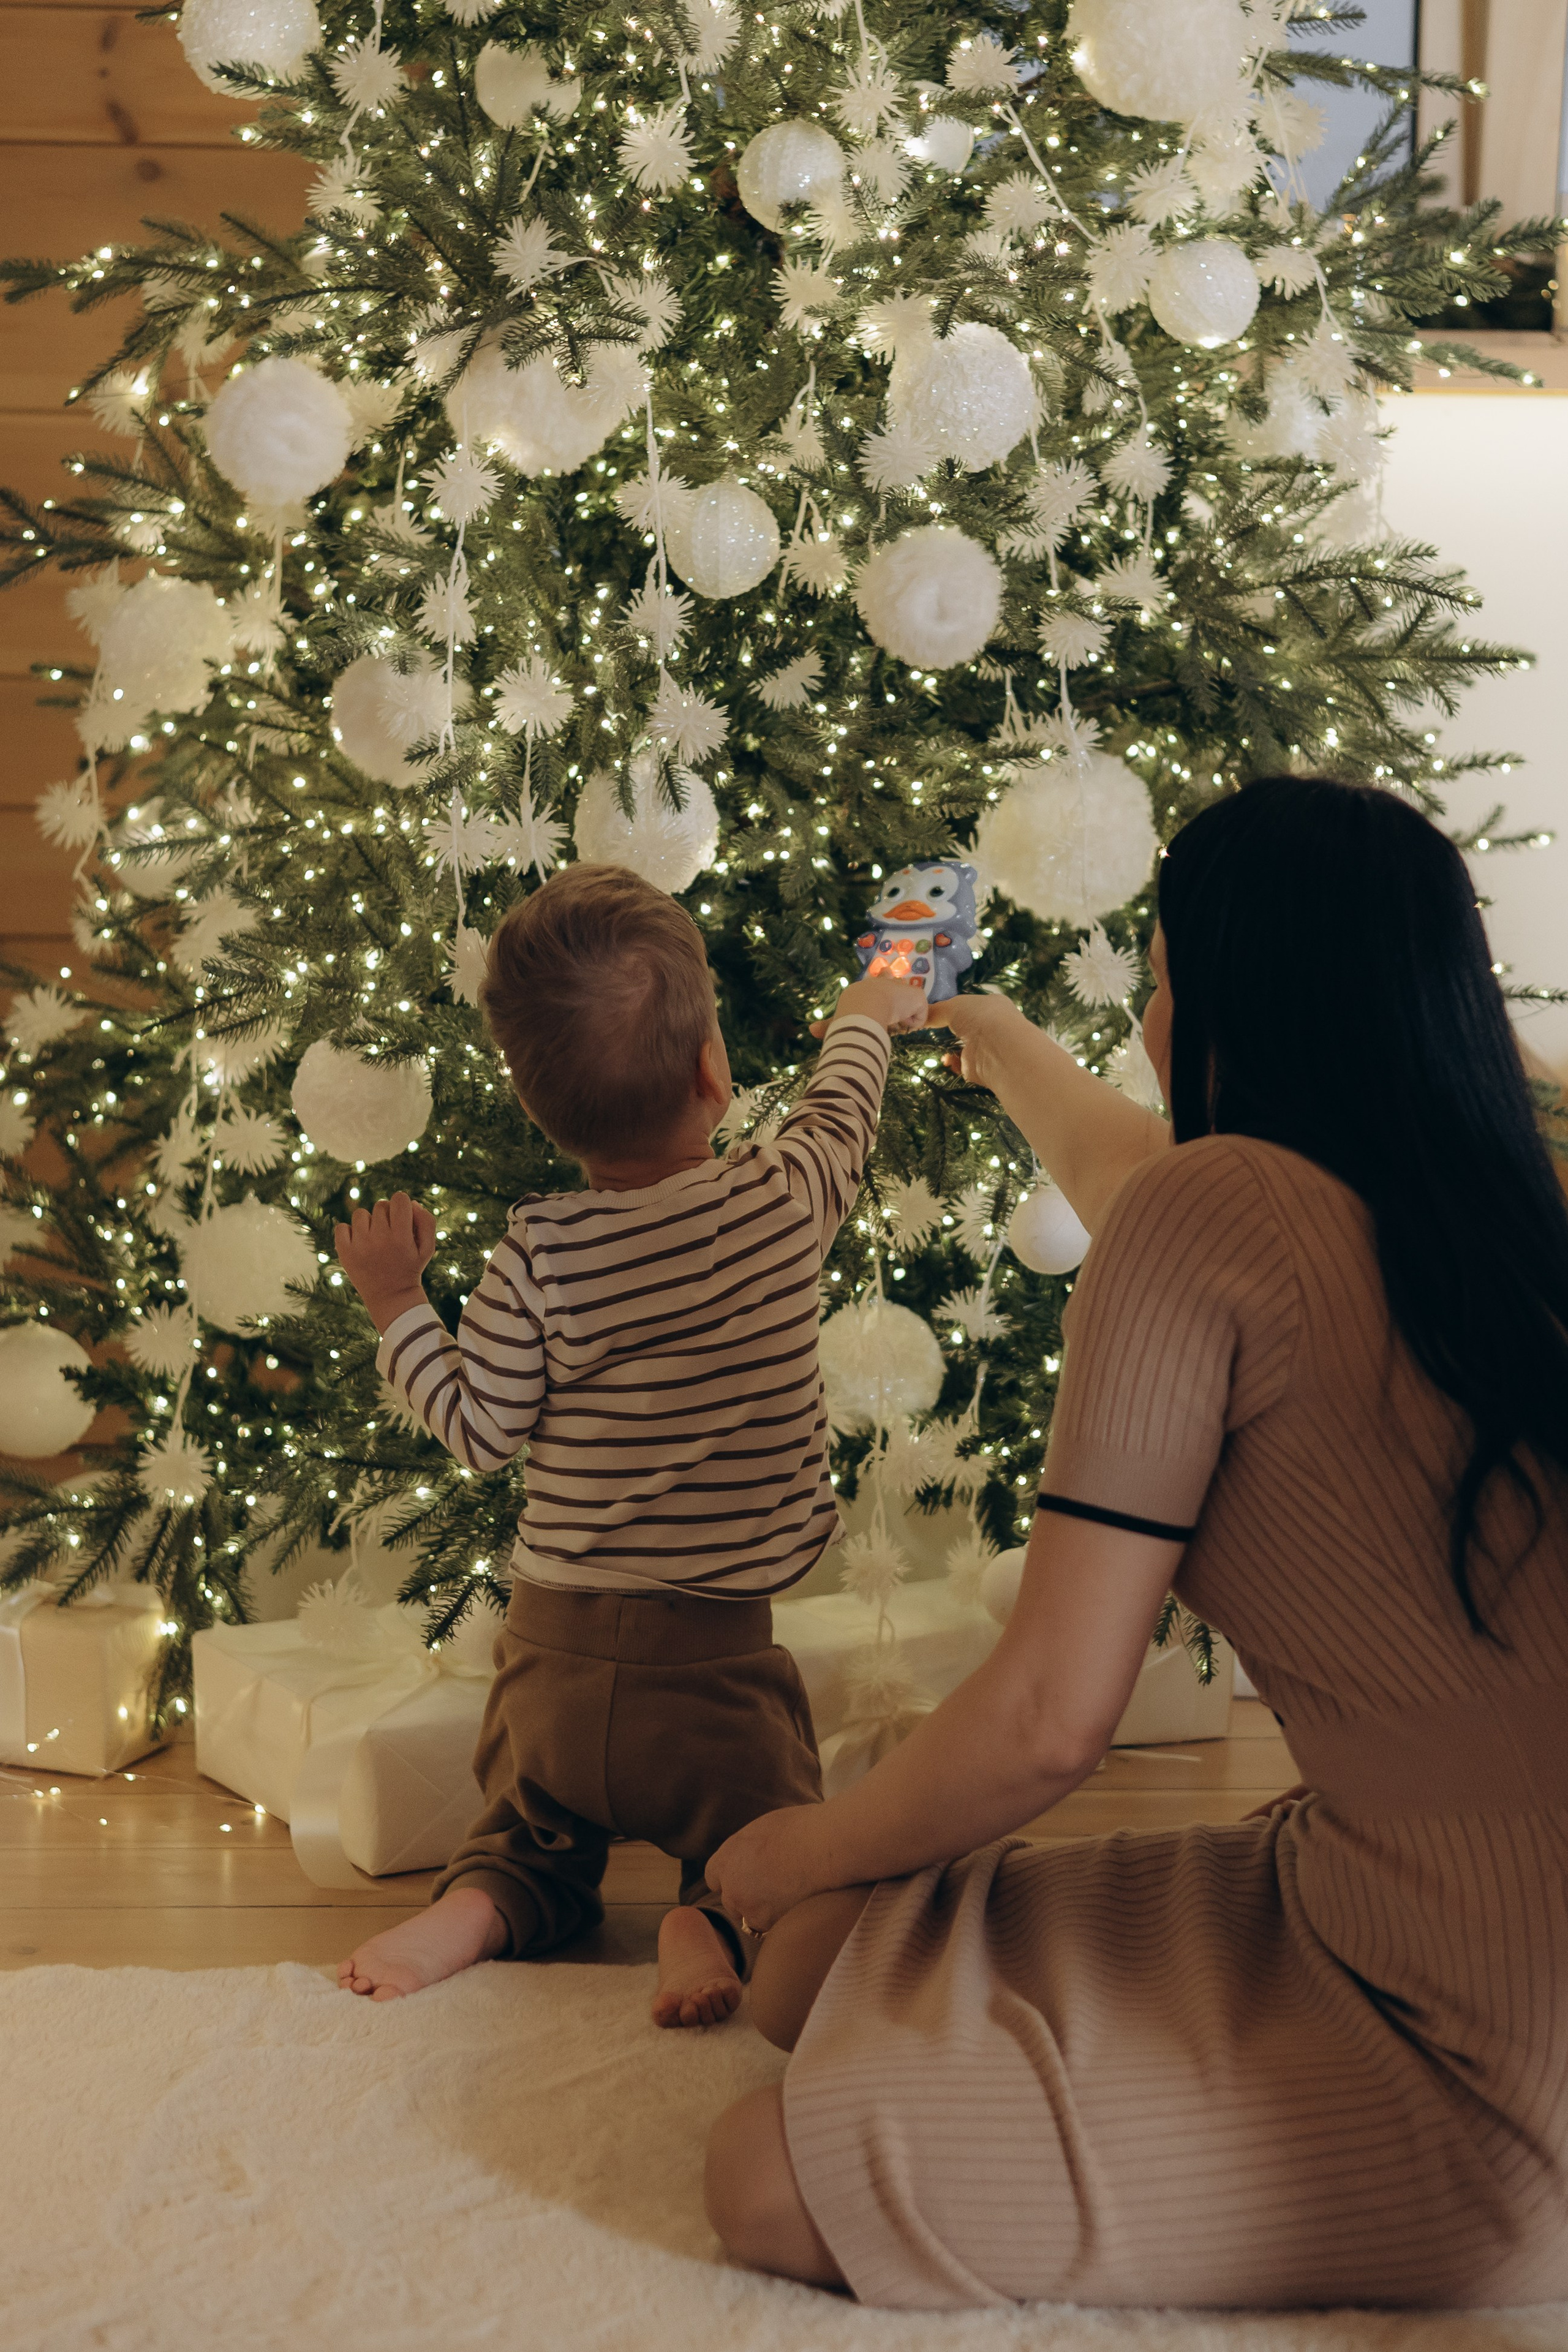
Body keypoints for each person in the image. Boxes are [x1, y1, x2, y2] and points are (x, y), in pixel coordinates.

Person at [701, 775, 1568, 2309]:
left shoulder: (1207, 1215)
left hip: (1489, 2073)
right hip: (1371, 1889)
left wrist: (786, 1845)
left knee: (765, 2174)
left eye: (1162, 984)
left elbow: (1050, 1719)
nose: (1153, 1024)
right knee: (807, 1970)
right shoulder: (1493, 1200)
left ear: (1231, 1008)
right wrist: (971, 1022)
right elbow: (1126, 1169)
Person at [331, 862, 924, 2026]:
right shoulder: (783, 1201)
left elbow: (480, 1432)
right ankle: (709, 1920)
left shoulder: (535, 1258)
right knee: (768, 1847)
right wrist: (872, 1002)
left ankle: (485, 1901)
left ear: (538, 1107)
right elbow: (842, 1106)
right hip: (715, 1672)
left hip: (549, 1661)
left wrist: (399, 1303)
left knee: (525, 1831)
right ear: (713, 1073)